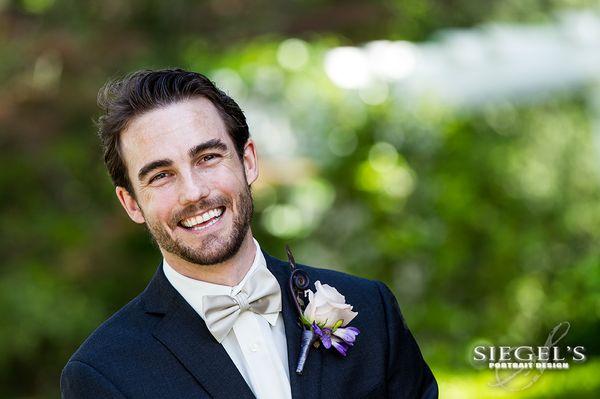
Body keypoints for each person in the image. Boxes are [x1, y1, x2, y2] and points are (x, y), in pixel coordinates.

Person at [60, 68, 438, 399]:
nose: (193, 192)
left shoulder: (371, 310)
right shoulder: (102, 374)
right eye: (161, 175)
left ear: (248, 161)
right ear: (130, 203)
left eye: (207, 157)